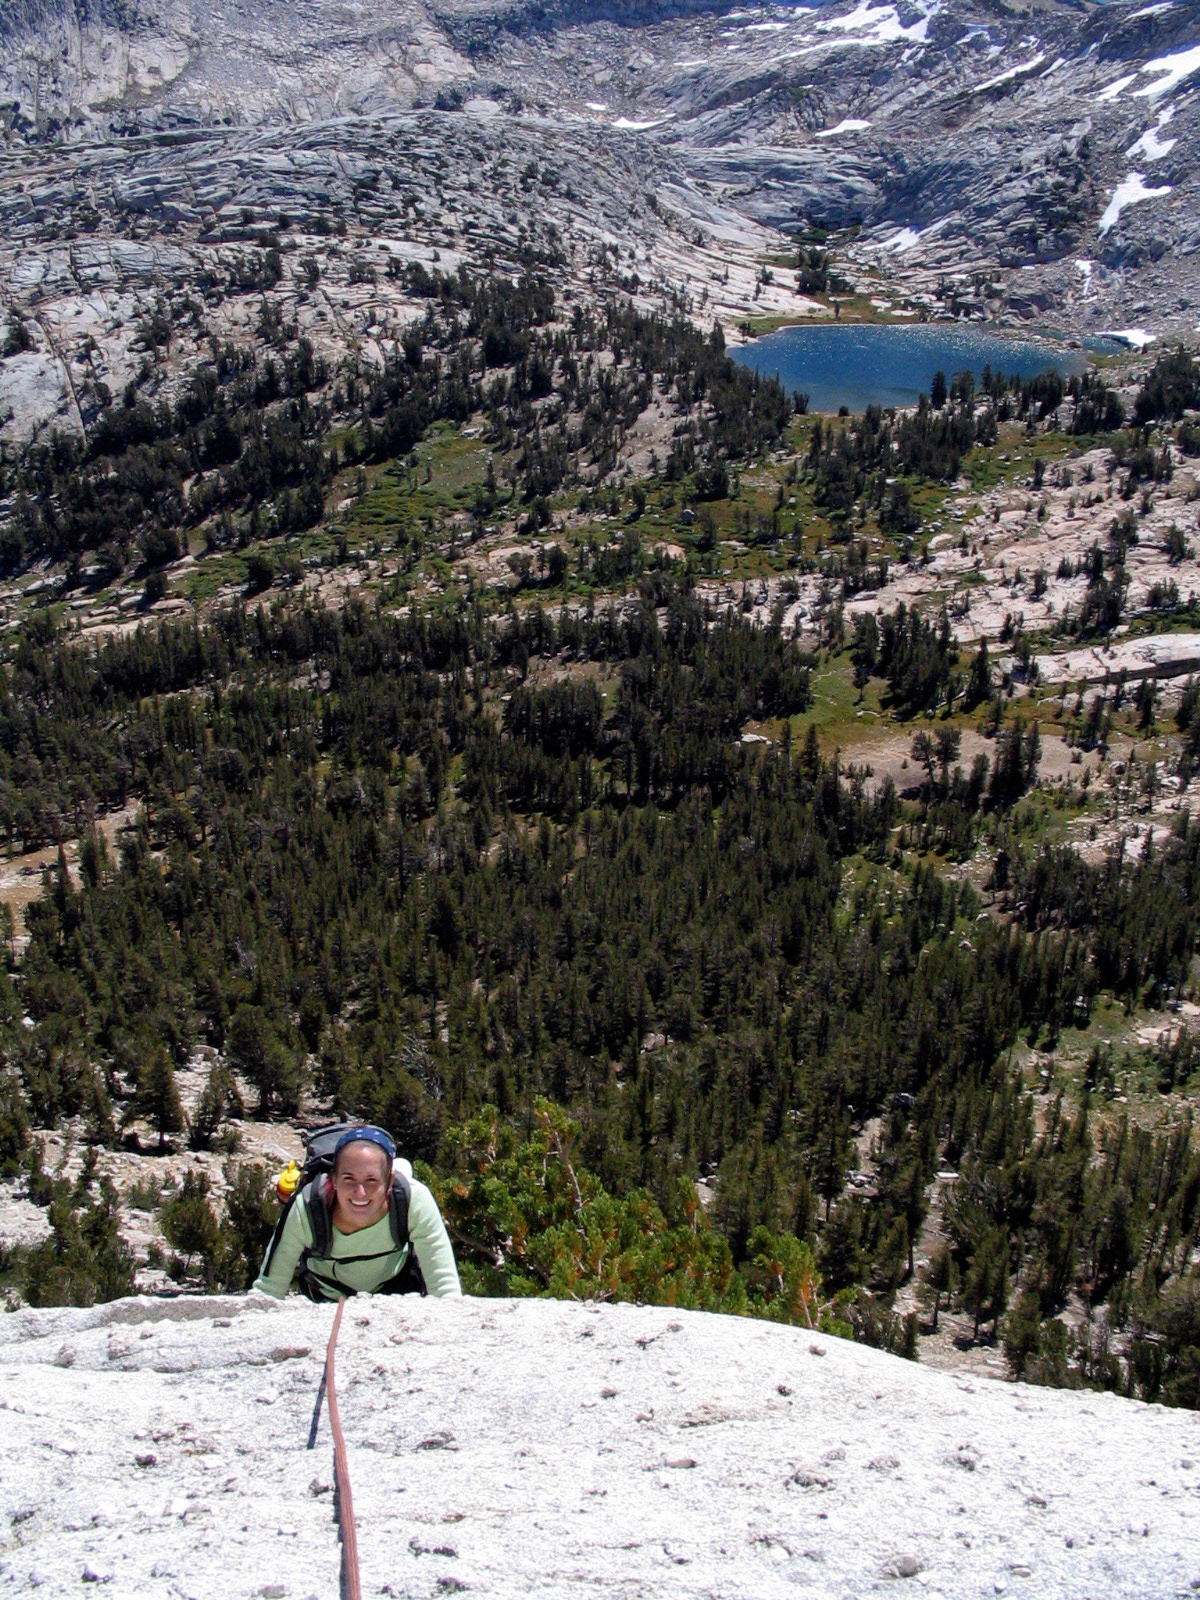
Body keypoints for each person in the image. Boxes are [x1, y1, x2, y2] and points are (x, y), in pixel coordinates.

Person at [253, 1125, 461, 1300]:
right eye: (349, 1179)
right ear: (333, 1180)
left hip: (396, 1298)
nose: (360, 1193)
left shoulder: (413, 1201)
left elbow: (445, 1289)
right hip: (325, 1304)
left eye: (371, 1180)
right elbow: (269, 1289)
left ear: (389, 1181)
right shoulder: (307, 1208)